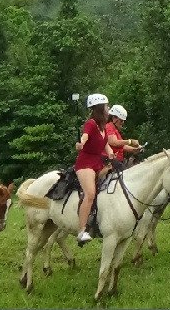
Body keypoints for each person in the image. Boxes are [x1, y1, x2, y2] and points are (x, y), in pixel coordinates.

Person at [74, 93, 116, 245]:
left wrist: (111, 153)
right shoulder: (91, 124)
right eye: (106, 105)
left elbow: (104, 143)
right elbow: (84, 138)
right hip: (85, 163)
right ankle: (81, 231)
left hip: (98, 162)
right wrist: (81, 144)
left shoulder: (103, 125)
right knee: (90, 193)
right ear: (100, 108)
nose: (108, 108)